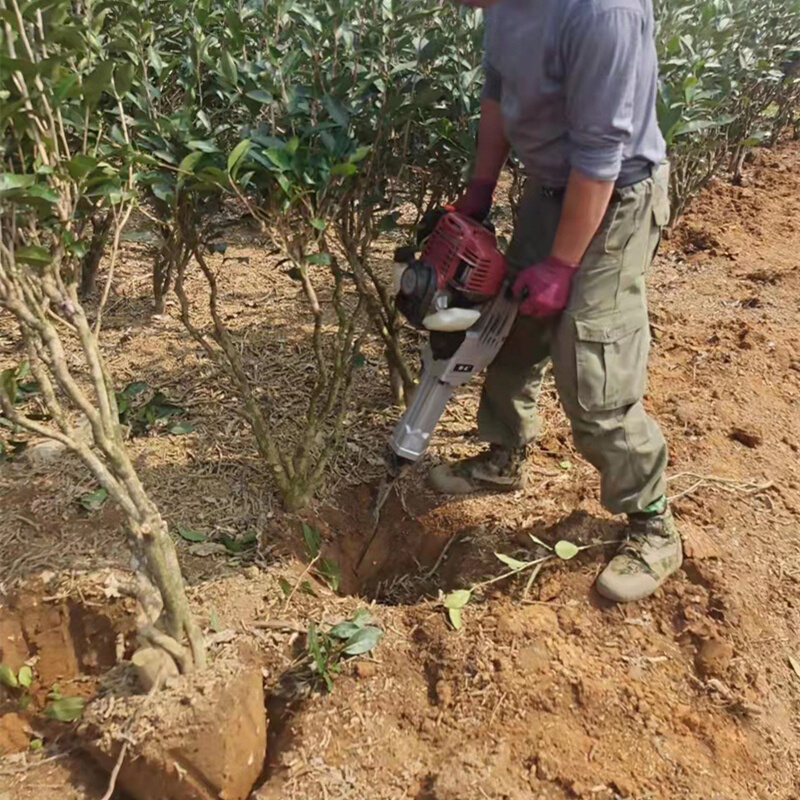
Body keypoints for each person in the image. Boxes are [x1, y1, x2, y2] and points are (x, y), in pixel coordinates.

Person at [432, 0, 680, 602]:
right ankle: (504, 456)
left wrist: (563, 264)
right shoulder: (500, 6)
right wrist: (480, 189)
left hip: (615, 196)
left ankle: (653, 522)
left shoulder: (602, 12)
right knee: (508, 328)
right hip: (548, 189)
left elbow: (601, 155)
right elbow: (498, 93)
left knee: (592, 368)